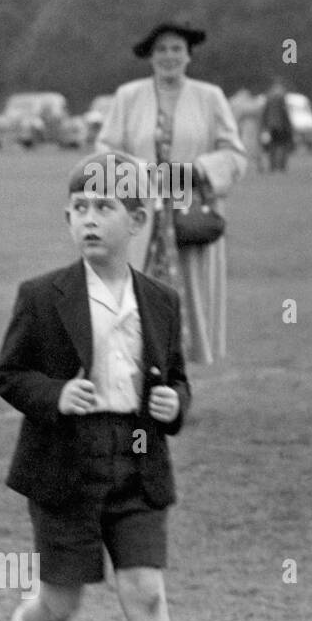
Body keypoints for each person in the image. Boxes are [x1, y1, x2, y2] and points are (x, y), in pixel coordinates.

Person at [0, 152, 201, 621]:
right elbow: (9, 374)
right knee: (59, 602)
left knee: (146, 591)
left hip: (137, 462)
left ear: (136, 219)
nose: (89, 219)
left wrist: (173, 404)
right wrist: (54, 395)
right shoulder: (42, 296)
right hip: (65, 464)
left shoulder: (161, 301)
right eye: (79, 208)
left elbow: (177, 382)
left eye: (104, 208)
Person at [96, 20, 247, 365]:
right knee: (133, 294)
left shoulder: (210, 98)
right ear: (150, 56)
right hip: (138, 212)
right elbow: (104, 149)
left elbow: (235, 155)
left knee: (188, 299)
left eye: (176, 49)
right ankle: (138, 380)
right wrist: (141, 170)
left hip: (188, 212)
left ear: (188, 55)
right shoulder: (127, 97)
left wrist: (198, 170)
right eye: (161, 49)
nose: (169, 56)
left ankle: (177, 383)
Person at [260, 78, 293, 174]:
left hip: (271, 126)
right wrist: (288, 124)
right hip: (281, 126)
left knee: (272, 146)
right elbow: (284, 112)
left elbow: (265, 112)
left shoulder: (268, 97)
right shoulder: (281, 97)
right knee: (283, 146)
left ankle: (272, 166)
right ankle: (281, 166)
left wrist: (264, 124)